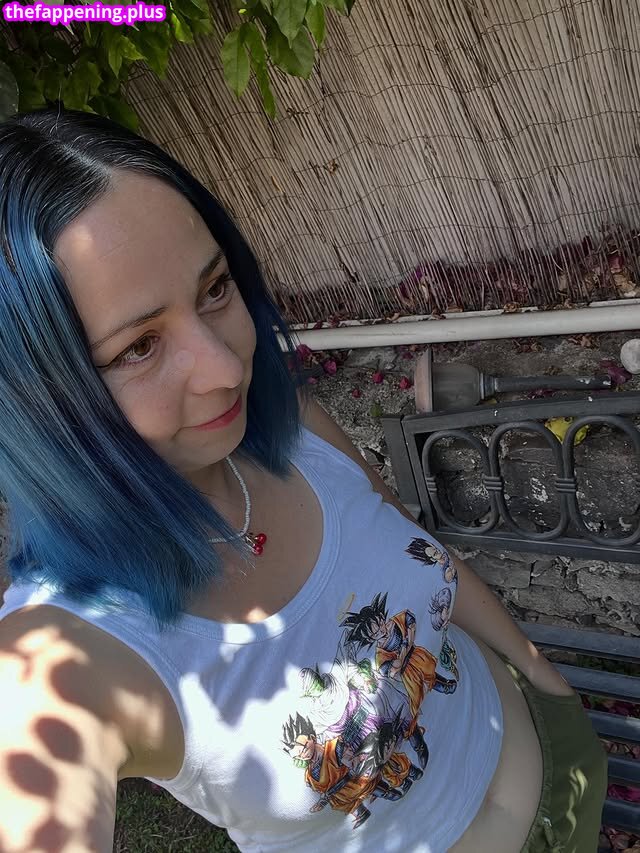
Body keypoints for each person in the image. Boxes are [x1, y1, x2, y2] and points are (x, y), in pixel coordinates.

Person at [0, 107, 607, 853]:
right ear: (38, 405)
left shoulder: (296, 431)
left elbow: (422, 552)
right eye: (139, 347)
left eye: (214, 288)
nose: (226, 368)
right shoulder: (64, 654)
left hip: (561, 778)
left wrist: (546, 684)